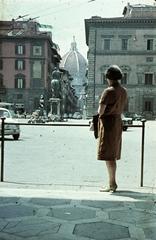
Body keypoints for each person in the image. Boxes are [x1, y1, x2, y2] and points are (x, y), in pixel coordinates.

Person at [97, 65, 127, 192]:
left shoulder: (108, 91)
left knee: (108, 155)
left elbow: (101, 111)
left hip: (108, 124)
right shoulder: (123, 91)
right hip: (117, 123)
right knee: (112, 154)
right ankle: (112, 183)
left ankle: (112, 184)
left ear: (108, 77)